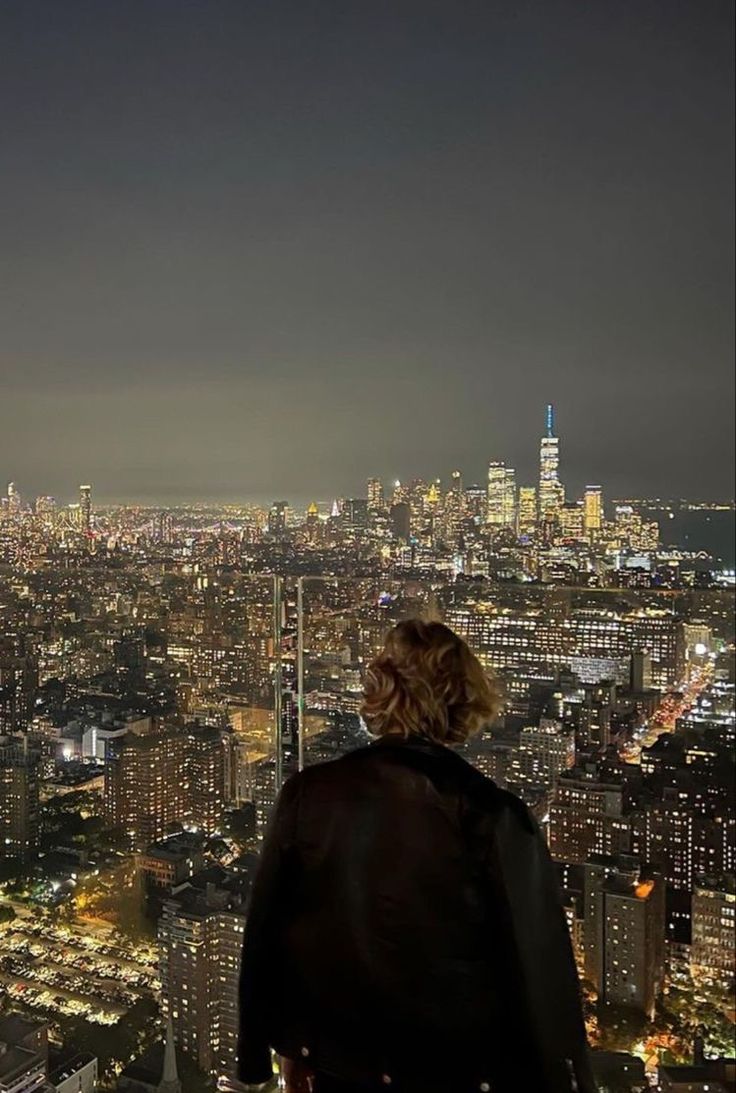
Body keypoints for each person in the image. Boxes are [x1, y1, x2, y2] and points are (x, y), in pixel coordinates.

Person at [237, 619, 597, 1093]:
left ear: (379, 693)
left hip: (336, 1064)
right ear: (463, 699)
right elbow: (539, 975)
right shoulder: (494, 815)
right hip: (455, 1072)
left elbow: (267, 932)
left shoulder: (309, 794)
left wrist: (266, 1056)